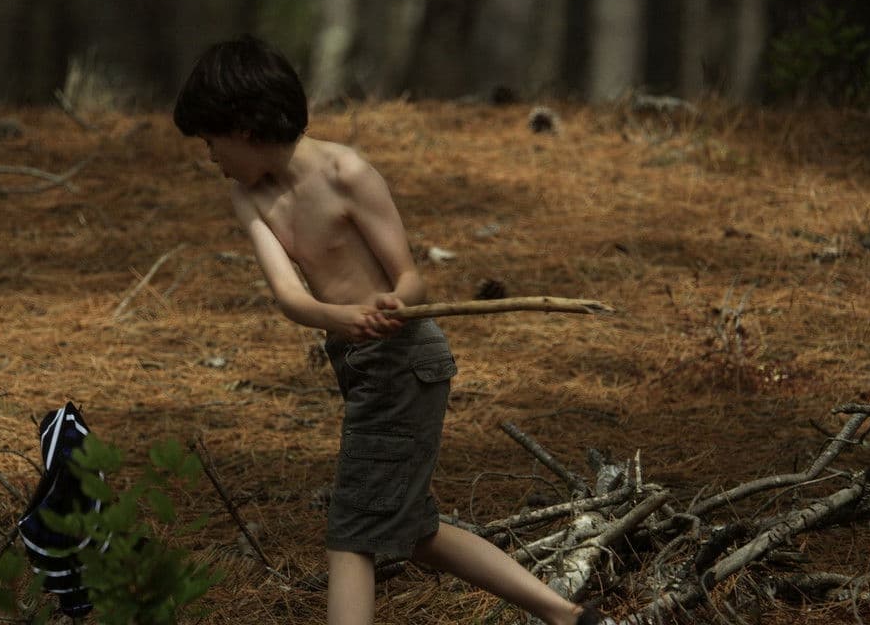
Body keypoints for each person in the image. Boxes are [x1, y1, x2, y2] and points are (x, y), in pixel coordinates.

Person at [172, 35, 606, 625]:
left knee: (351, 532)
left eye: (211, 140)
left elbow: (411, 279)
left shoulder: (345, 171)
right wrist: (339, 319)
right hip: (357, 363)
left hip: (404, 360)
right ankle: (566, 616)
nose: (210, 156)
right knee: (413, 529)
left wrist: (389, 304)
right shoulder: (248, 199)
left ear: (244, 126)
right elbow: (290, 295)